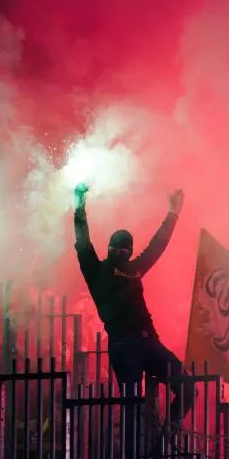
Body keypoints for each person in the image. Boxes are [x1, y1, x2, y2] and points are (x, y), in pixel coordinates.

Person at [72, 183, 195, 428]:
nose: (121, 253)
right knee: (133, 410)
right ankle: (140, 448)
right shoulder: (97, 271)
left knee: (187, 388)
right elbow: (83, 241)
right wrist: (79, 204)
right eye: (118, 249)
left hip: (148, 342)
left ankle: (167, 434)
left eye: (124, 250)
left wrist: (173, 213)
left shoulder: (133, 269)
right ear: (111, 249)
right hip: (124, 345)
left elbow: (156, 247)